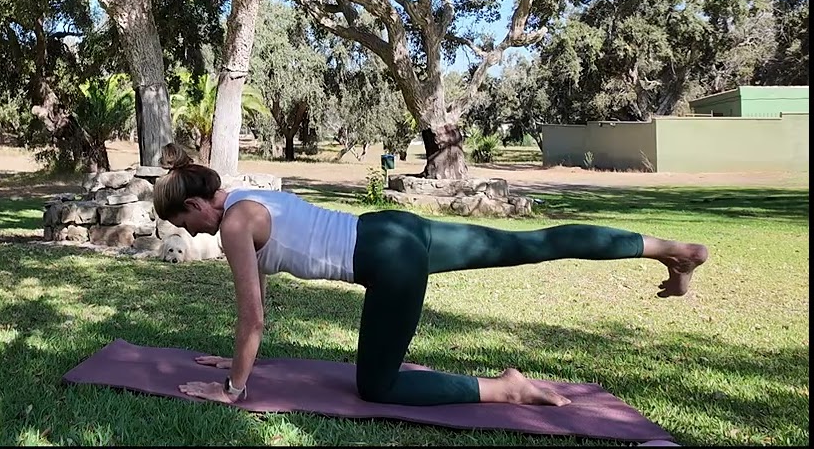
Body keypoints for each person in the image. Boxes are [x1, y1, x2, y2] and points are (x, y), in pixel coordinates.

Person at [152, 143, 709, 407]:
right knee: (530, 245)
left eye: (184, 222)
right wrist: (236, 358)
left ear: (200, 204)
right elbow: (259, 297)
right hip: (394, 228)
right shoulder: (247, 196)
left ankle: (506, 390)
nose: (192, 233)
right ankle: (668, 250)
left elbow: (253, 317)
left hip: (388, 263)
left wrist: (232, 388)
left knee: (377, 387)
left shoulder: (231, 226)